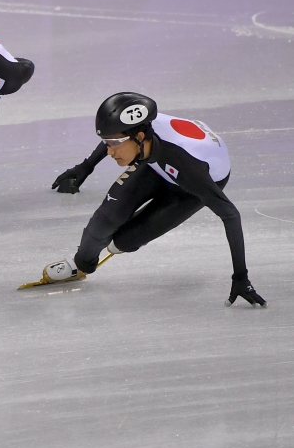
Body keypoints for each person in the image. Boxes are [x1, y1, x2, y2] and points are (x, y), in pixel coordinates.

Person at [38, 92, 266, 307]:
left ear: (139, 137)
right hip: (156, 165)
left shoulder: (187, 165)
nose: (110, 151)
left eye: (115, 145)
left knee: (123, 242)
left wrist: (241, 277)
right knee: (104, 221)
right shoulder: (139, 134)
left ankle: (122, 242)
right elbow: (115, 134)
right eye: (108, 143)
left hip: (190, 187)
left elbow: (230, 214)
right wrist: (85, 167)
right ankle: (80, 266)